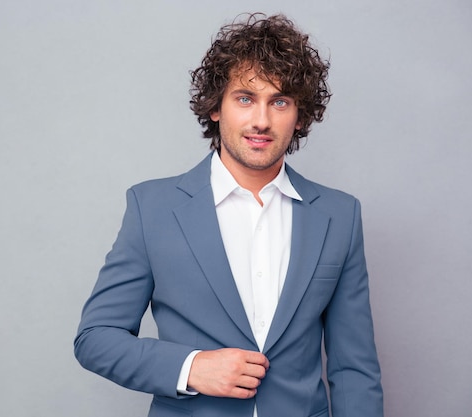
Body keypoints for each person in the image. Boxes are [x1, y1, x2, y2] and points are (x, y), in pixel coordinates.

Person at [74, 13, 383, 417]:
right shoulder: (152, 208)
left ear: (300, 116)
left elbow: (354, 367)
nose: (261, 120)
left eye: (280, 101)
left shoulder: (339, 215)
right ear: (215, 107)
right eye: (245, 98)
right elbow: (95, 338)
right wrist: (191, 367)